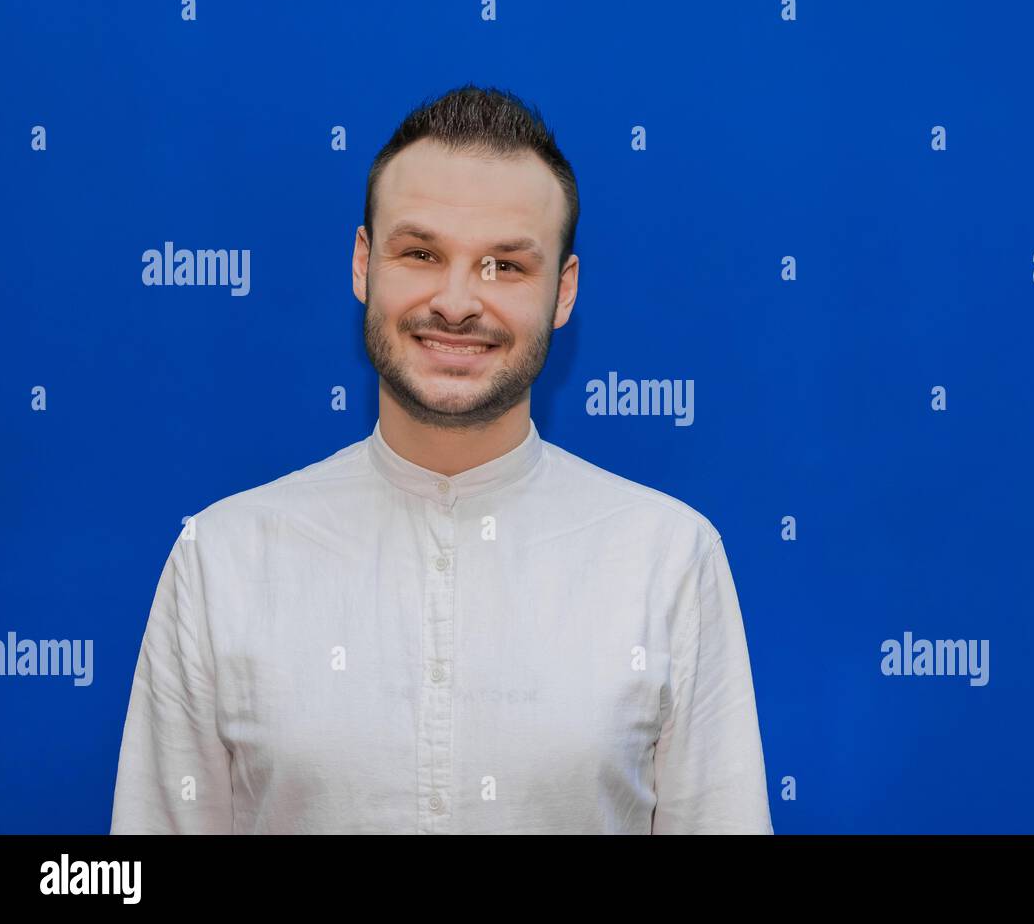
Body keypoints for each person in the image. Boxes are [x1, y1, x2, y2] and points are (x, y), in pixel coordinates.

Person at [110, 84, 773, 834]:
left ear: (564, 291)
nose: (457, 302)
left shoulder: (669, 559)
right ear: (364, 265)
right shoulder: (222, 560)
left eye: (506, 266)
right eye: (421, 253)